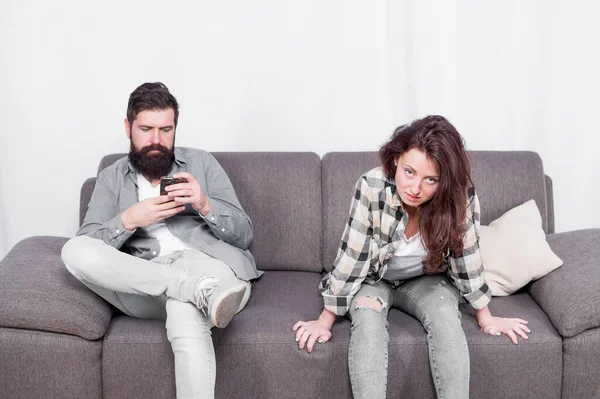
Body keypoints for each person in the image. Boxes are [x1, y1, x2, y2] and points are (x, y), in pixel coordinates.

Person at [292, 115, 530, 399]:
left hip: (425, 279)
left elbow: (466, 255)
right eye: (409, 172)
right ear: (396, 161)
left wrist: (486, 317)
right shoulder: (372, 185)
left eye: (431, 180)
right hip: (372, 279)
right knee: (368, 319)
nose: (415, 189)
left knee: (445, 314)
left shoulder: (460, 195)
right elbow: (352, 257)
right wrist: (325, 320)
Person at [61, 82, 262, 399]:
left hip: (209, 267)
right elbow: (90, 244)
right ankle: (194, 289)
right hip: (144, 281)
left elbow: (244, 234)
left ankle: (195, 290)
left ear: (175, 128)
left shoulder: (201, 163)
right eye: (146, 129)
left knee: (184, 310)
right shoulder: (111, 177)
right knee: (73, 250)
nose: (156, 140)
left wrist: (205, 204)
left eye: (165, 129)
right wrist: (129, 220)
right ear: (128, 127)